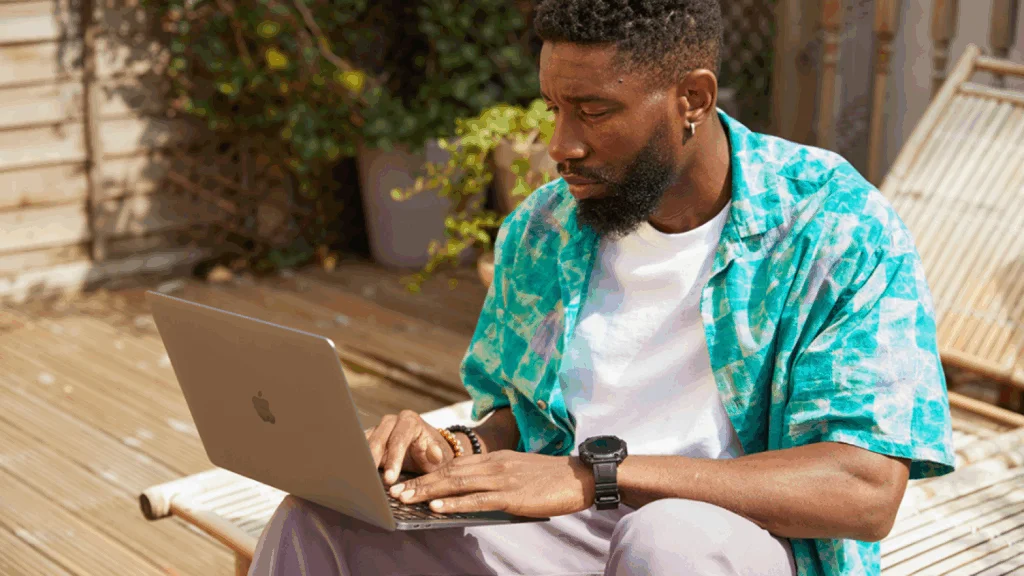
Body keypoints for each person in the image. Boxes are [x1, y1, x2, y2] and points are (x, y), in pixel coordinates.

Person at [248, 1, 956, 574]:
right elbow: (513, 419)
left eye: (593, 111)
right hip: (559, 530)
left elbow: (864, 491)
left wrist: (596, 477)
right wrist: (453, 449)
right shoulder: (546, 226)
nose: (560, 144)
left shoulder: (834, 226)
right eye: (553, 107)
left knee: (666, 541)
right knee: (324, 521)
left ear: (692, 99)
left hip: (742, 543)